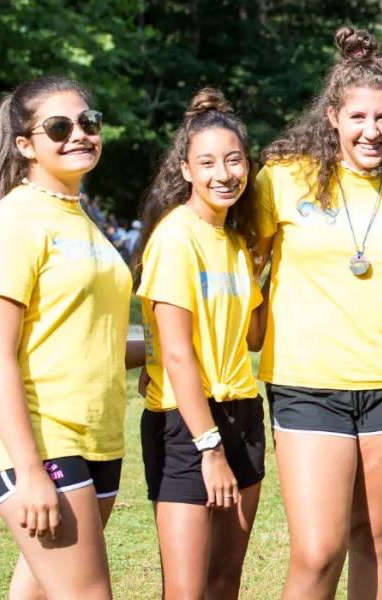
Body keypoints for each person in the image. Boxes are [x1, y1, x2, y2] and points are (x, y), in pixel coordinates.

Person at [252, 27, 382, 599]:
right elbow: (243, 270)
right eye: (358, 117)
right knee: (318, 550)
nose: (372, 131)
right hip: (306, 385)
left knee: (378, 535)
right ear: (332, 115)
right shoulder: (283, 179)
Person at [0, 76, 139, 599]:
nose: (79, 135)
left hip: (98, 436)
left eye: (89, 122)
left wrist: (165, 354)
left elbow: (89, 338)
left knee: (38, 592)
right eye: (59, 127)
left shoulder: (80, 219)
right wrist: (30, 471)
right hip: (39, 443)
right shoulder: (10, 226)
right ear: (25, 145)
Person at [132, 88, 269, 600]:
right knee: (186, 590)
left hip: (243, 412)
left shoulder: (234, 242)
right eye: (207, 162)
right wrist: (209, 448)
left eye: (234, 160)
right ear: (186, 170)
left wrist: (268, 264)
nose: (224, 173)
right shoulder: (175, 237)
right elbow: (175, 353)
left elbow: (251, 338)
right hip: (187, 425)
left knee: (225, 579)